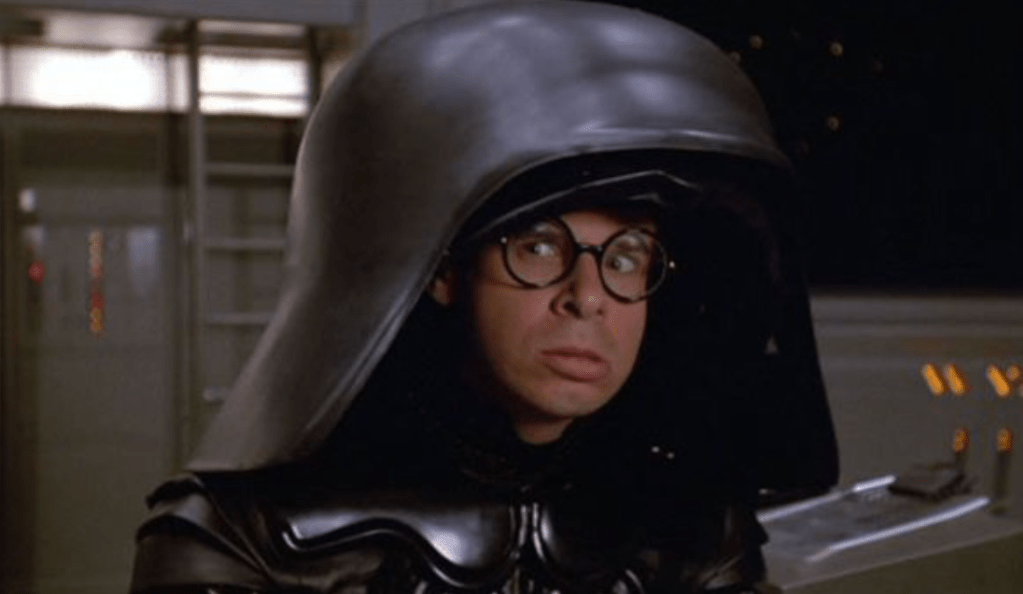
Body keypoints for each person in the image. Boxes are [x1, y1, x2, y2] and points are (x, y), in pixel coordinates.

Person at [129, 2, 837, 592]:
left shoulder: (693, 531)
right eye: (539, 247)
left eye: (625, 258)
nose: (588, 297)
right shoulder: (238, 536)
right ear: (439, 269)